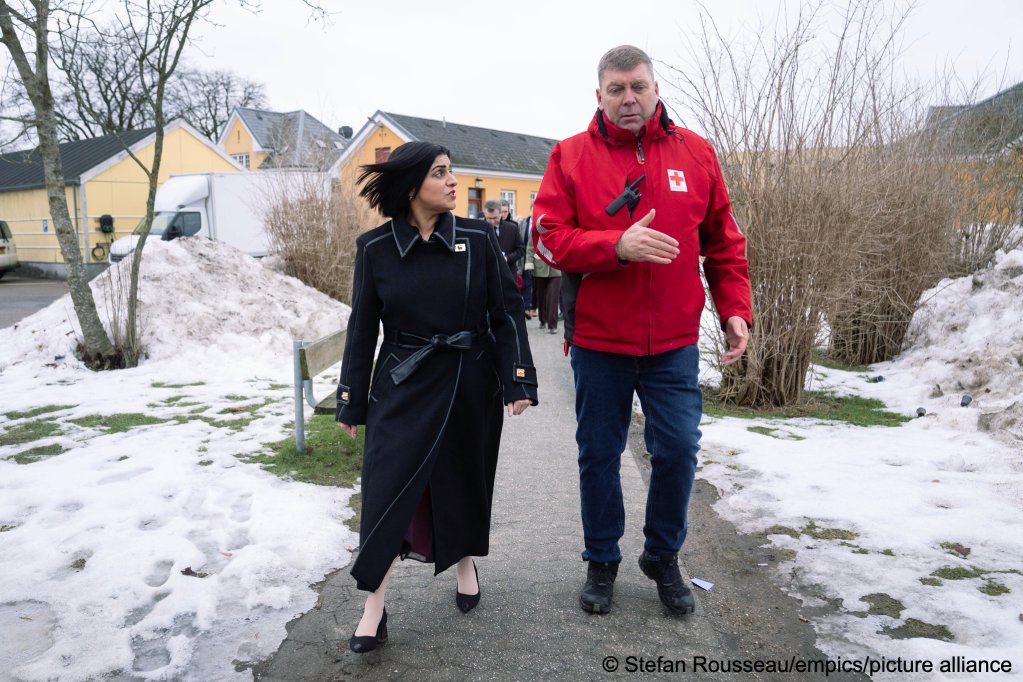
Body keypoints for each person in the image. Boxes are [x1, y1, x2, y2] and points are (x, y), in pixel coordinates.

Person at [531, 45, 751, 616]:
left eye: (638, 87)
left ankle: (662, 555)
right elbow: (548, 237)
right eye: (616, 89)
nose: (628, 99)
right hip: (601, 343)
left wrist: (735, 309)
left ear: (655, 88)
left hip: (673, 343)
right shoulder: (571, 157)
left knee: (677, 450)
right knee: (598, 454)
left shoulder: (696, 153)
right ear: (598, 95)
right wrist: (616, 247)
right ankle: (602, 559)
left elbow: (723, 243)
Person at [336, 141, 537, 652]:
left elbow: (507, 313)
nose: (453, 182)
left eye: (452, 171)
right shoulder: (375, 249)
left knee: (460, 478)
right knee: (385, 491)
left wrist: (518, 378)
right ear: (410, 187)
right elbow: (362, 330)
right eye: (440, 173)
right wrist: (350, 399)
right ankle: (373, 606)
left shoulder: (479, 237)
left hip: (470, 383)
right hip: (401, 386)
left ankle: (464, 562)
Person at [524, 225, 561, 334]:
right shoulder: (536, 230)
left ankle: (552, 325)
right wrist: (529, 262)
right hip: (540, 267)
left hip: (555, 267)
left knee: (553, 297)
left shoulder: (559, 228)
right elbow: (530, 248)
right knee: (541, 296)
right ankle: (542, 319)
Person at [483, 199, 524, 274]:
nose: (492, 221)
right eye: (489, 218)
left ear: (500, 214)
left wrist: (507, 258)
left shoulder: (512, 228)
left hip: (508, 274)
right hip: (487, 275)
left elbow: (521, 249)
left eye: (495, 218)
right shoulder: (479, 229)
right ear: (485, 215)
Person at [518, 215, 536, 319]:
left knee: (531, 285)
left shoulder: (539, 223)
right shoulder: (523, 223)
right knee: (525, 283)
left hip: (535, 259)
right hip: (523, 258)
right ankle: (526, 307)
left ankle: (529, 307)